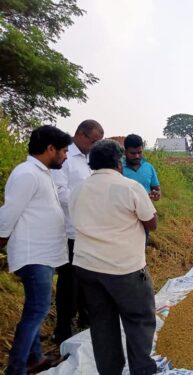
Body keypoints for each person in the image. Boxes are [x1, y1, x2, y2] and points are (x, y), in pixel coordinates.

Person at [70, 140, 158, 375]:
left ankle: (110, 371)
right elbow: (152, 222)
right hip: (124, 269)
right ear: (118, 162)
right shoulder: (129, 187)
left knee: (102, 322)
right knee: (139, 319)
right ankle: (142, 370)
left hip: (87, 267)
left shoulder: (78, 189)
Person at [0, 125, 72, 375]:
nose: (65, 156)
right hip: (33, 254)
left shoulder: (42, 173)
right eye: (63, 150)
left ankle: (35, 359)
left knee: (36, 307)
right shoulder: (27, 174)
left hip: (44, 252)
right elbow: (8, 213)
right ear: (50, 149)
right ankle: (17, 367)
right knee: (38, 309)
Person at [51, 119, 104, 345]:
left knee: (88, 277)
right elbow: (60, 192)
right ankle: (63, 328)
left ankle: (86, 317)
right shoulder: (65, 158)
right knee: (69, 281)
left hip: (87, 228)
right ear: (80, 135)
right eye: (93, 141)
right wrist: (85, 204)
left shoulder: (88, 159)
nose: (94, 146)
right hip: (70, 229)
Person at [122, 134, 161, 201]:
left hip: (147, 210)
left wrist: (156, 194)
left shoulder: (148, 167)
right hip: (125, 210)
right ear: (125, 152)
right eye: (133, 153)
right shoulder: (119, 169)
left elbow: (157, 189)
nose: (137, 156)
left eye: (139, 152)